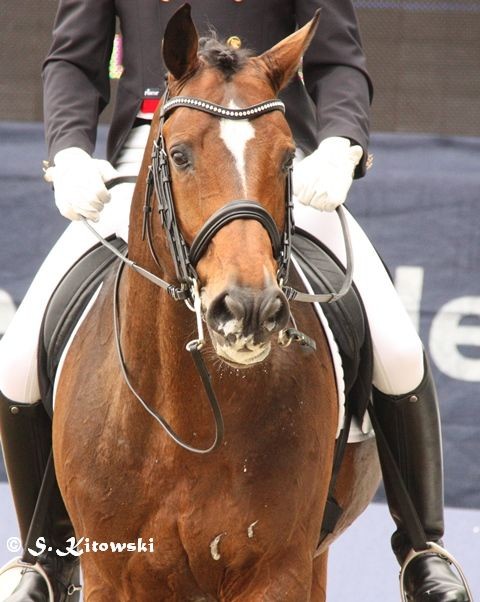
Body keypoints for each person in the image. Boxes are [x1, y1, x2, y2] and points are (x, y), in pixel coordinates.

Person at [0, 1, 469, 601]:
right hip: (156, 148)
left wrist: (341, 143)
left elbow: (340, 60)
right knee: (18, 360)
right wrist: (66, 150)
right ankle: (46, 558)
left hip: (265, 154)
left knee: (399, 349)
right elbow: (72, 56)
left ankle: (421, 549)